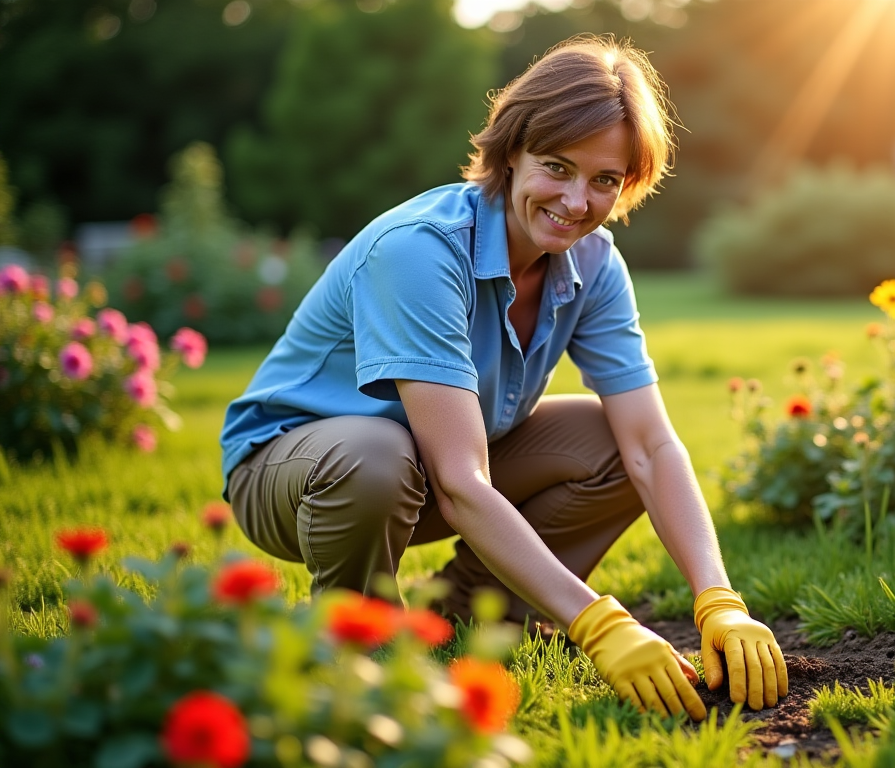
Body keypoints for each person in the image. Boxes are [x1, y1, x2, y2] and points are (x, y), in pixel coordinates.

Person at [218, 34, 786, 720]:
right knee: (376, 456)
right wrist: (600, 623)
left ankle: (473, 615)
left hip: (436, 470)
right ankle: (357, 644)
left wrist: (717, 598)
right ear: (511, 151)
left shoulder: (595, 264)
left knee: (611, 443)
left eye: (605, 179)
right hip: (300, 471)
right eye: (557, 167)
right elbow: (460, 481)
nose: (578, 202)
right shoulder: (421, 252)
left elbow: (652, 448)